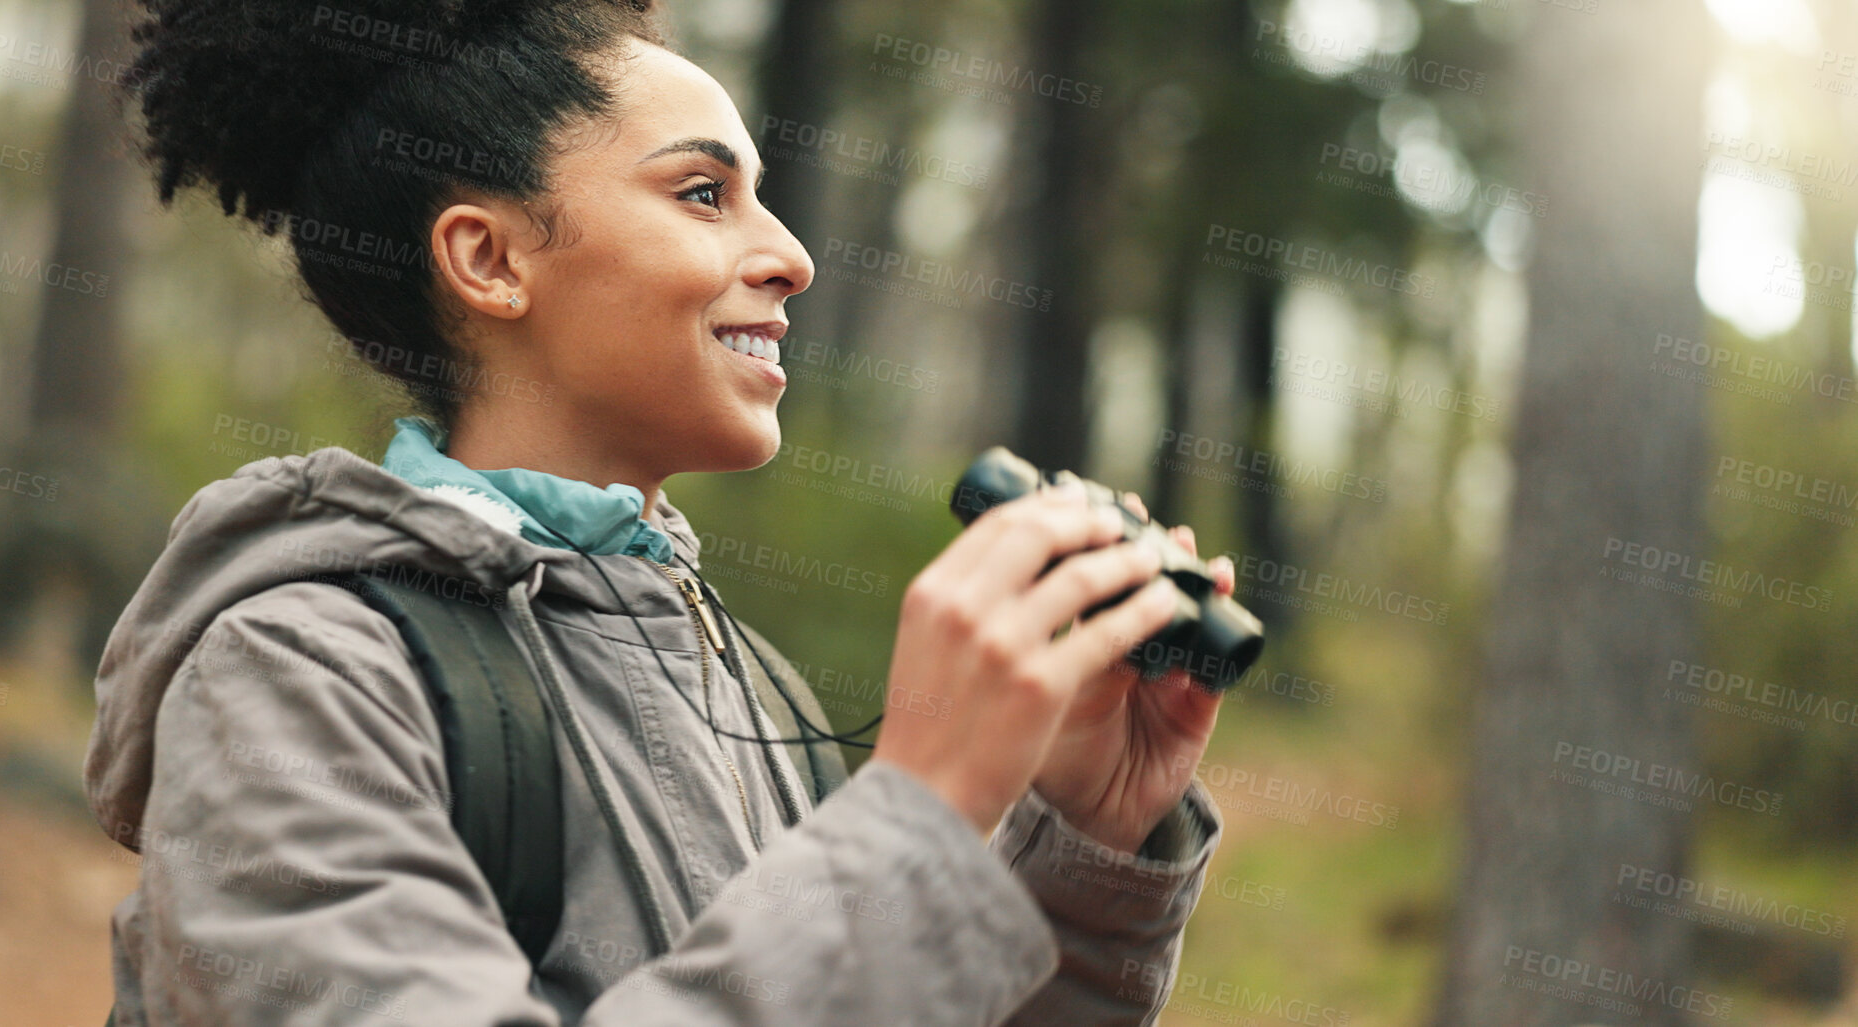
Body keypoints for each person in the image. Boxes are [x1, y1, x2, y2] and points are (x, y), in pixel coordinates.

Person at [86, 0, 1238, 1022]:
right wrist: (920, 815)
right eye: (703, 194)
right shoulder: (292, 679)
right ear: (488, 259)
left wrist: (1086, 847)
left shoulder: (749, 686)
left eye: (760, 199)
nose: (789, 257)